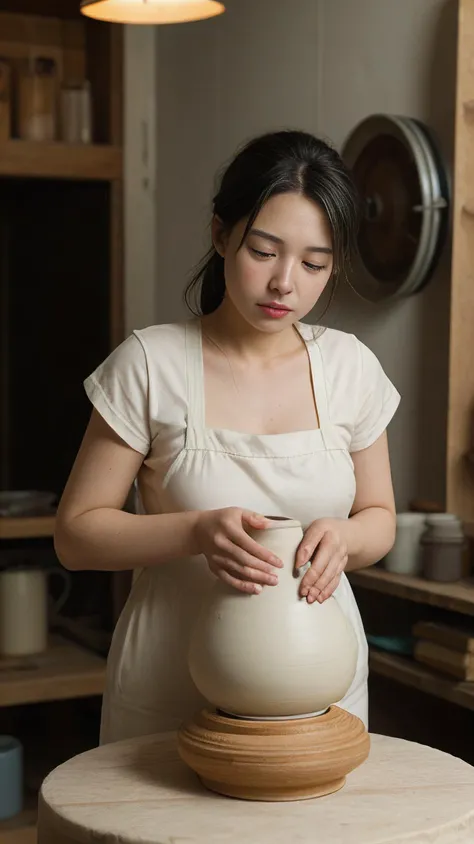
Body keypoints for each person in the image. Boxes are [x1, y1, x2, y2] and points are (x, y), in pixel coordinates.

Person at [54, 129, 400, 744]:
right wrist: (194, 531)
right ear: (220, 235)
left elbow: (379, 518)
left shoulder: (352, 368)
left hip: (318, 683)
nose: (284, 283)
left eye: (314, 263)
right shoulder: (150, 363)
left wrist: (344, 536)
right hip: (168, 683)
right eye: (263, 251)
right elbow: (76, 535)